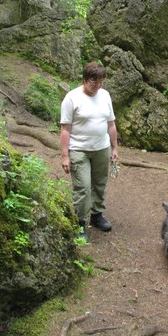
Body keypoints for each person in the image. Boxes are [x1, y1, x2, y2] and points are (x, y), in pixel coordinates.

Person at [60, 62, 118, 240]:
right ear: (85, 79)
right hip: (79, 150)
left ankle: (97, 215)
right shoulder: (71, 98)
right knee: (83, 187)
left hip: (102, 148)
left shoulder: (105, 95)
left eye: (101, 82)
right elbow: (65, 129)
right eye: (94, 81)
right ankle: (80, 223)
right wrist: (65, 156)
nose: (97, 86)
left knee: (100, 183)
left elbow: (111, 124)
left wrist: (115, 147)